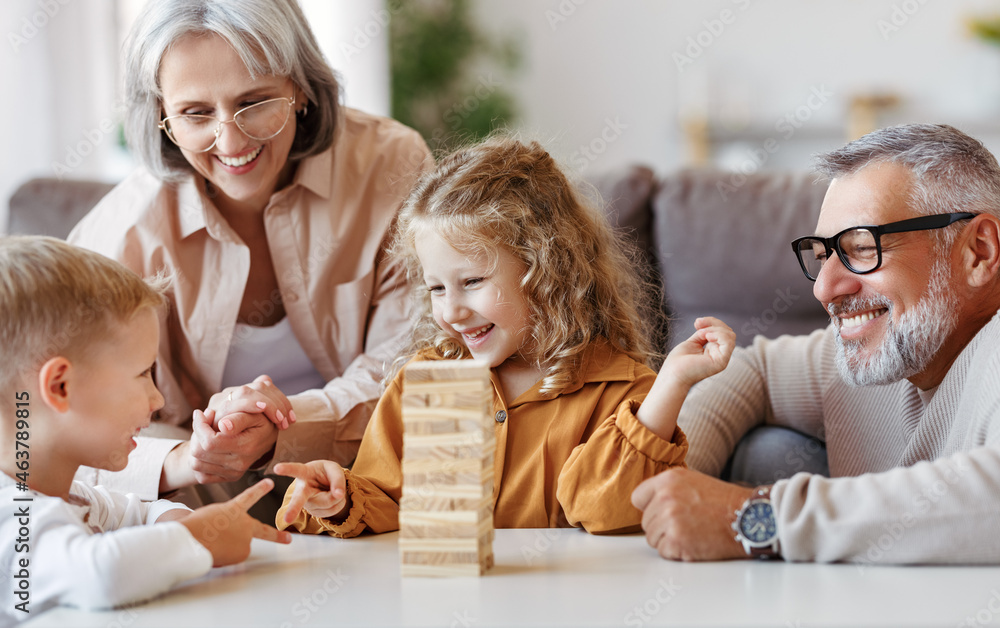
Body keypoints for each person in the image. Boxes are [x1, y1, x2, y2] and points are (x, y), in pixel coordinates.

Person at [67, 0, 432, 511]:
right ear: (159, 114)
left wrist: (280, 428)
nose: (231, 141)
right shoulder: (121, 234)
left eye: (256, 101)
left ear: (300, 88)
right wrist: (182, 456)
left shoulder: (389, 166)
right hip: (196, 510)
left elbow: (416, 365)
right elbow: (56, 429)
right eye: (195, 113)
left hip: (373, 487)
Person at [271, 137, 735, 536]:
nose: (451, 310)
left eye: (472, 282)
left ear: (546, 269)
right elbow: (386, 498)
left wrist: (672, 385)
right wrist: (339, 496)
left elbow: (602, 508)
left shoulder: (621, 390)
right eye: (437, 287)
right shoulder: (425, 381)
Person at [631, 123, 1000, 564]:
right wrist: (669, 482)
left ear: (978, 251)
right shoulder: (889, 348)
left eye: (862, 247)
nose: (824, 290)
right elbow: (756, 370)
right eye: (823, 255)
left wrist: (751, 519)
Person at [0, 237, 291, 620]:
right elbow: (102, 574)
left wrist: (185, 523)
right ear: (60, 387)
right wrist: (199, 538)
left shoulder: (75, 498)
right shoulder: (12, 516)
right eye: (142, 374)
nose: (157, 401)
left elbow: (143, 514)